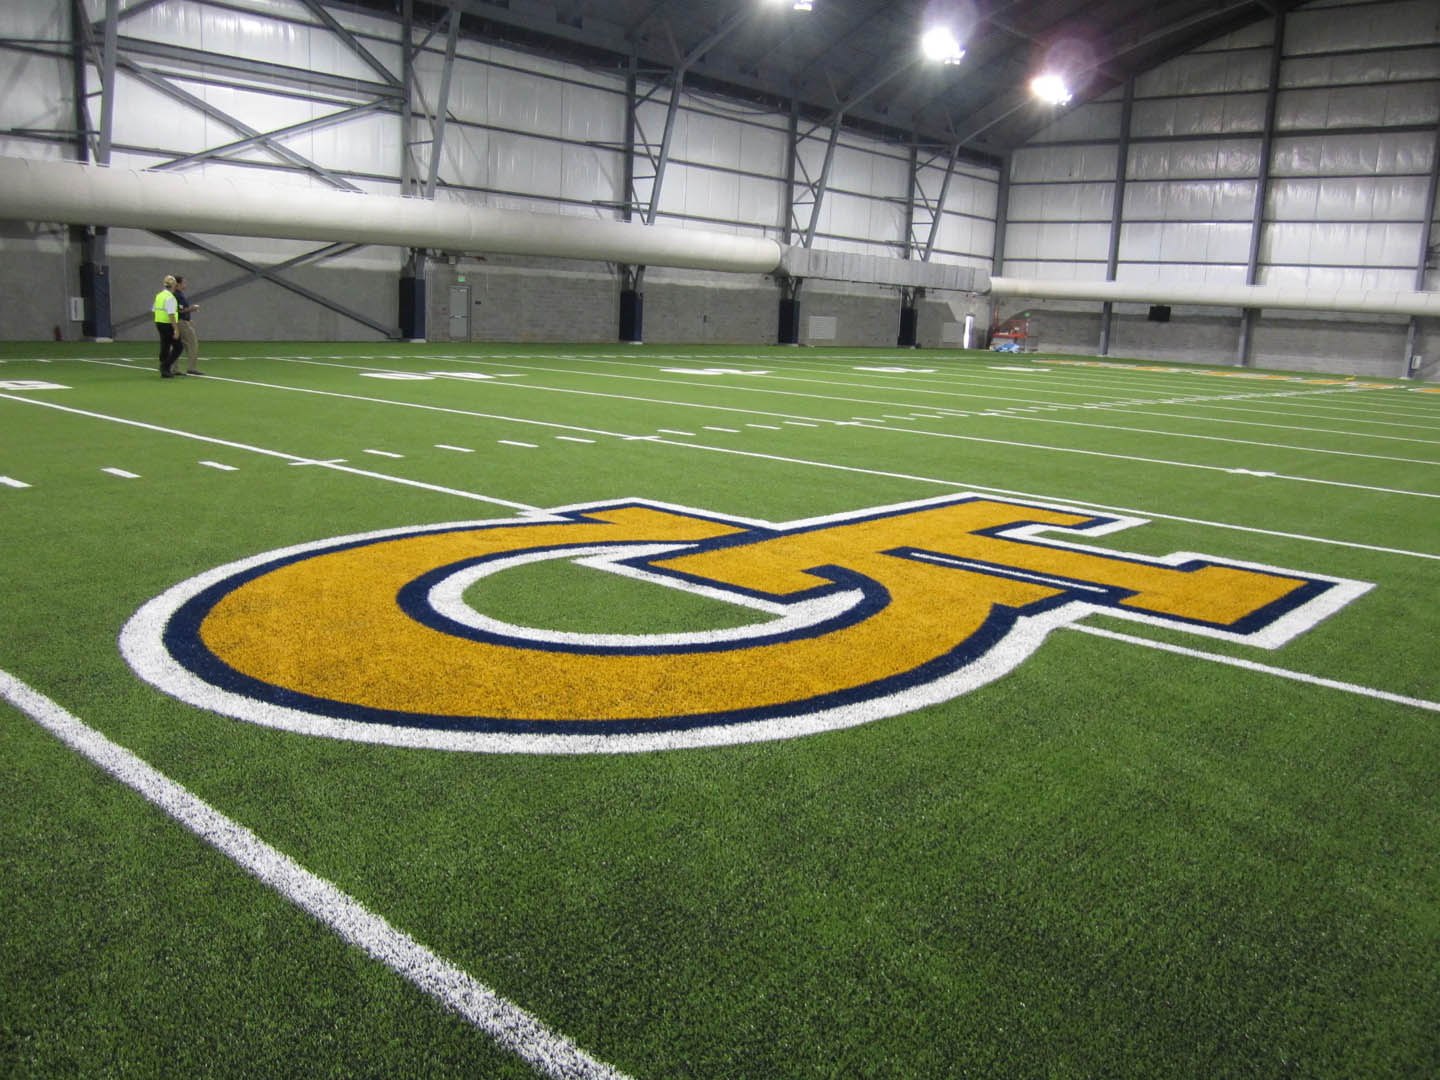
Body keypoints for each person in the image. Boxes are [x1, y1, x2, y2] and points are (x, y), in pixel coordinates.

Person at [152, 274, 183, 377]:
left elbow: (154, 309)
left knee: (165, 346)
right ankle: (165, 366)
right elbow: (171, 314)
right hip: (168, 324)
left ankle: (165, 371)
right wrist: (176, 329)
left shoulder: (159, 295)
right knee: (178, 347)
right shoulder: (170, 298)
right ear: (173, 285)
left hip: (159, 322)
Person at [173, 275, 203, 374]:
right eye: (184, 283)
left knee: (176, 345)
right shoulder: (178, 295)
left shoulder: (173, 294)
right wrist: (192, 309)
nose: (185, 285)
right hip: (181, 323)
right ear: (178, 284)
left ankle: (175, 368)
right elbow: (180, 310)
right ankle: (191, 368)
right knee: (192, 344)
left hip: (178, 322)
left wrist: (188, 319)